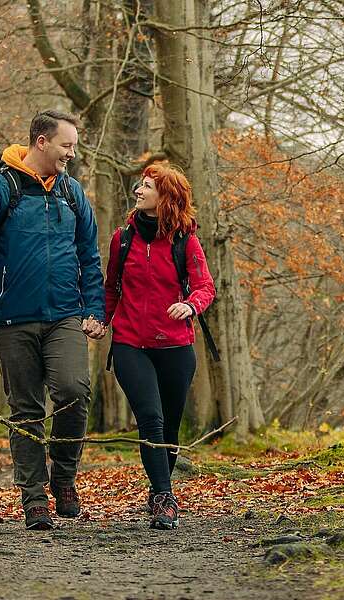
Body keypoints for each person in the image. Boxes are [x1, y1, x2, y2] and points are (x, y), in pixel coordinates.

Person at [0, 110, 106, 530]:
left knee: (74, 390)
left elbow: (89, 258)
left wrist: (94, 310)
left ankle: (63, 476)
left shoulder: (72, 193)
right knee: (25, 408)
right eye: (66, 145)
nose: (71, 154)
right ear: (41, 142)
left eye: (73, 146)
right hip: (10, 319)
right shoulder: (0, 188)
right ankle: (34, 496)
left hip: (65, 315)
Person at [103, 163, 215, 530]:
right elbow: (111, 287)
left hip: (176, 347)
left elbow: (205, 288)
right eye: (140, 184)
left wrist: (189, 305)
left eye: (147, 186)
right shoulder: (123, 238)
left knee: (169, 427)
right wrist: (101, 320)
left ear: (165, 198)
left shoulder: (186, 241)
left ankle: (158, 491)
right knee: (150, 418)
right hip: (130, 343)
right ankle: (165, 497)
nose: (138, 190)